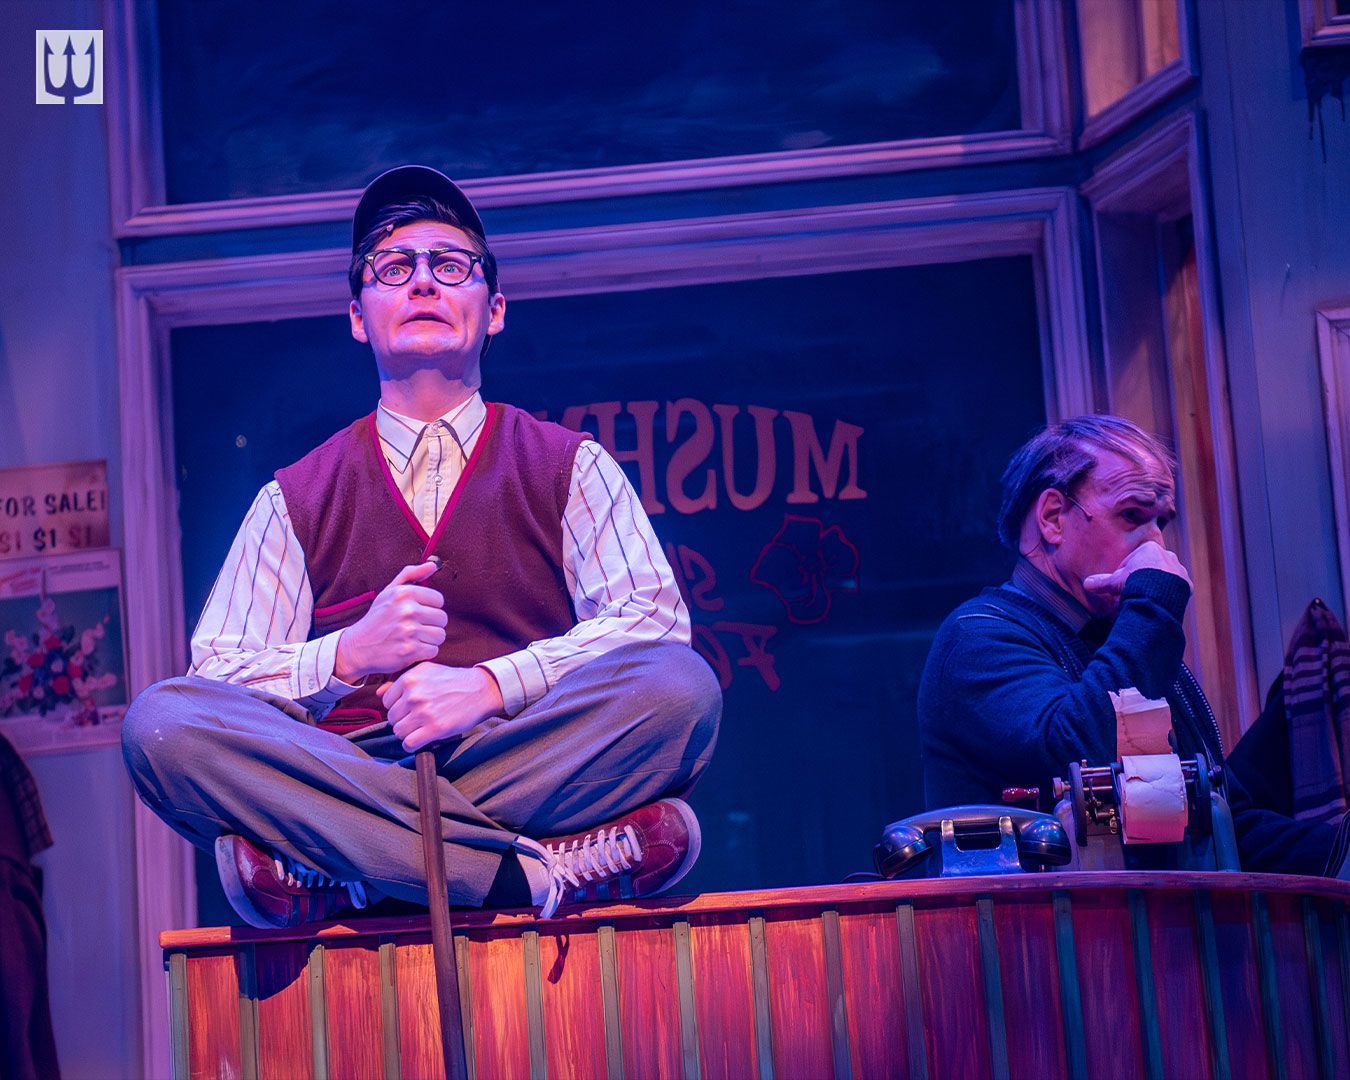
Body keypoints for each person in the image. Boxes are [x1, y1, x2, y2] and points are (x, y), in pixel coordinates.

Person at [122, 165, 721, 929]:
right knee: (162, 727)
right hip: (354, 768)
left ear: (494, 310)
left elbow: (653, 626)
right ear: (358, 316)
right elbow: (218, 673)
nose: (424, 283)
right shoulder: (294, 497)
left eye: (450, 266)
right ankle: (523, 869)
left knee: (679, 687)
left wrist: (489, 687)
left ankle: (352, 868)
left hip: (523, 752)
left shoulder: (570, 465)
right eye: (394, 268)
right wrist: (346, 655)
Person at [918, 414, 1334, 873]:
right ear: (1053, 518)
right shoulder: (978, 637)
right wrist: (1153, 605)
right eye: (1132, 515)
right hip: (1038, 920)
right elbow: (1077, 759)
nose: (1156, 543)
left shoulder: (1122, 640)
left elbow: (1224, 829)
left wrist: (1339, 851)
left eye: (1161, 522)